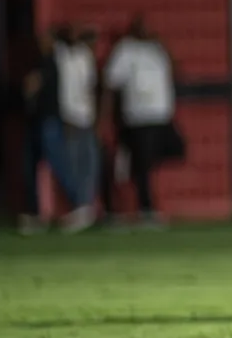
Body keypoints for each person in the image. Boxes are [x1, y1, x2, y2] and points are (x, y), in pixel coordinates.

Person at [101, 15, 176, 226]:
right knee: (141, 166)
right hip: (138, 117)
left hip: (161, 116)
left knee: (174, 150)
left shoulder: (156, 49)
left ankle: (144, 206)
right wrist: (105, 118)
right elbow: (111, 84)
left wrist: (161, 43)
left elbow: (176, 70)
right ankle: (146, 209)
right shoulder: (125, 50)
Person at [20, 28, 94, 234]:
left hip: (51, 120)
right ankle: (35, 213)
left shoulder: (57, 61)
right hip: (36, 120)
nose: (41, 43)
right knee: (30, 167)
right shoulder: (42, 61)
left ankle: (80, 205)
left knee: (59, 162)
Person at [55, 24, 100, 217]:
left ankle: (86, 205)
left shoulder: (85, 56)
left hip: (86, 117)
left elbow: (90, 86)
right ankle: (78, 205)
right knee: (71, 163)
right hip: (68, 116)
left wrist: (94, 115)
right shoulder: (60, 55)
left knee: (89, 163)